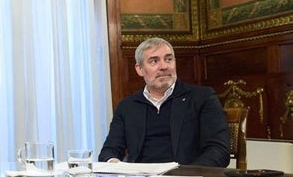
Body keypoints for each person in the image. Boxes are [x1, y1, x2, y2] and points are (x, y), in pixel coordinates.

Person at [98, 37, 230, 167]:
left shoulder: (202, 98)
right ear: (139, 69)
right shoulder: (127, 106)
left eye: (168, 59)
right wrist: (116, 165)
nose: (164, 66)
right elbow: (109, 151)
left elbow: (219, 151)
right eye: (154, 61)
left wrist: (187, 176)